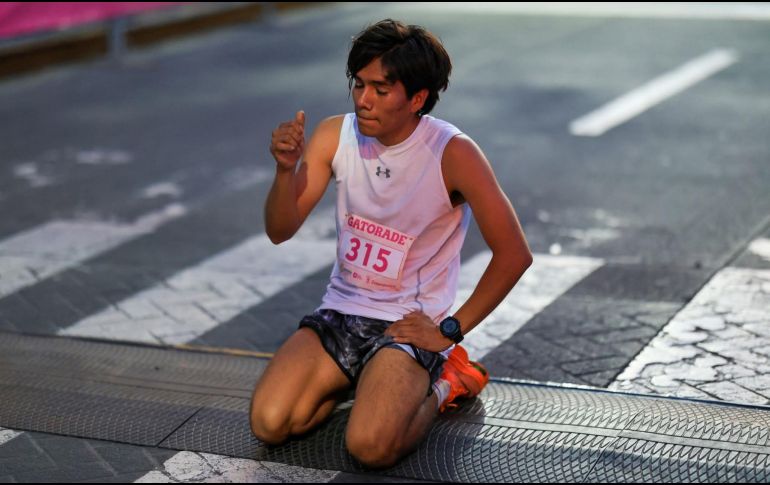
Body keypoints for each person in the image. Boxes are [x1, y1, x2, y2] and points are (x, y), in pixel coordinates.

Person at [250, 18, 532, 469]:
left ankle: (446, 382)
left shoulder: (453, 152)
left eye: (381, 90)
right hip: (341, 314)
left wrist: (449, 331)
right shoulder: (334, 135)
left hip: (408, 325)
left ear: (417, 98)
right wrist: (285, 171)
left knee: (371, 446)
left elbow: (515, 253)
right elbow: (279, 230)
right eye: (358, 84)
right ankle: (357, 380)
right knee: (271, 422)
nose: (363, 100)